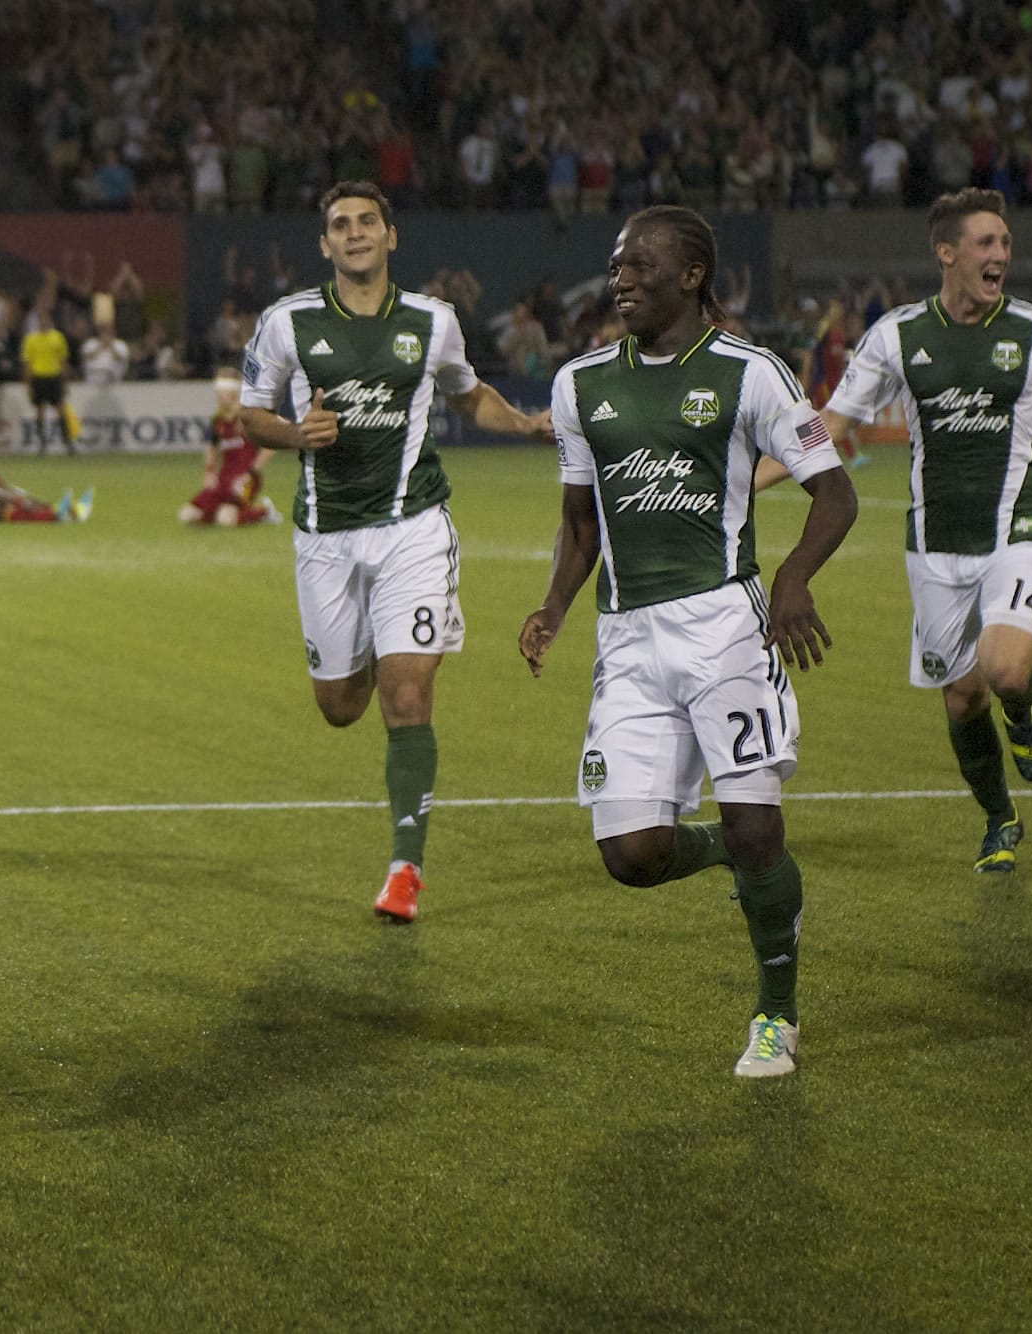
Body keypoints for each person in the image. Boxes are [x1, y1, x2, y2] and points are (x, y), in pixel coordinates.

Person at [518, 204, 858, 1078]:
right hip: (628, 643)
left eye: (638, 264)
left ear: (692, 275)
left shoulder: (753, 374)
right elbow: (580, 522)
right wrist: (555, 602)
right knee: (631, 857)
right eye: (616, 265)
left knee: (755, 826)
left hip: (726, 632)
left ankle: (776, 1014)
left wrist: (791, 580)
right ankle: (735, 854)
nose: (619, 278)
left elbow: (835, 494)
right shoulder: (580, 385)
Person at [237, 180, 549, 923]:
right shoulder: (287, 322)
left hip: (414, 525)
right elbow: (250, 415)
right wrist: (293, 434)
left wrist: (527, 424)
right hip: (326, 533)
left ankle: (405, 869)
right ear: (325, 244)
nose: (354, 234)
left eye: (366, 222)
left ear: (390, 235)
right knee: (341, 706)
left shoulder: (433, 322)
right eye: (339, 225)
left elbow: (468, 395)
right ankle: (379, 638)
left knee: (407, 694)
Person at [801, 188, 1032, 872]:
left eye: (1005, 244)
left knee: (1006, 670)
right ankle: (999, 819)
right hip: (935, 542)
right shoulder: (896, 336)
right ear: (946, 253)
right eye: (986, 243)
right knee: (961, 697)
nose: (1001, 255)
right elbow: (829, 428)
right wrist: (746, 480)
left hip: (1019, 527)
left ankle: (1026, 705)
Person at [180, 367, 276, 527]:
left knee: (226, 519)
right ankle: (217, 512)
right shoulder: (218, 420)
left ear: (233, 393)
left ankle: (264, 512)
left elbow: (270, 446)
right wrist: (209, 472)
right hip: (223, 479)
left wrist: (251, 474)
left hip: (245, 480)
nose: (218, 394)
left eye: (221, 390)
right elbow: (211, 448)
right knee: (187, 515)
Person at [21, 297, 77, 454]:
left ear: (50, 320)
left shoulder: (57, 338)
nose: (43, 322)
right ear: (38, 321)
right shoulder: (31, 339)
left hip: (54, 377)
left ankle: (68, 442)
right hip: (39, 378)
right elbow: (27, 364)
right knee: (39, 412)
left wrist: (65, 382)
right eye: (41, 319)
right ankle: (41, 443)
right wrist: (28, 385)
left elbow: (63, 361)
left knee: (61, 411)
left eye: (46, 318)